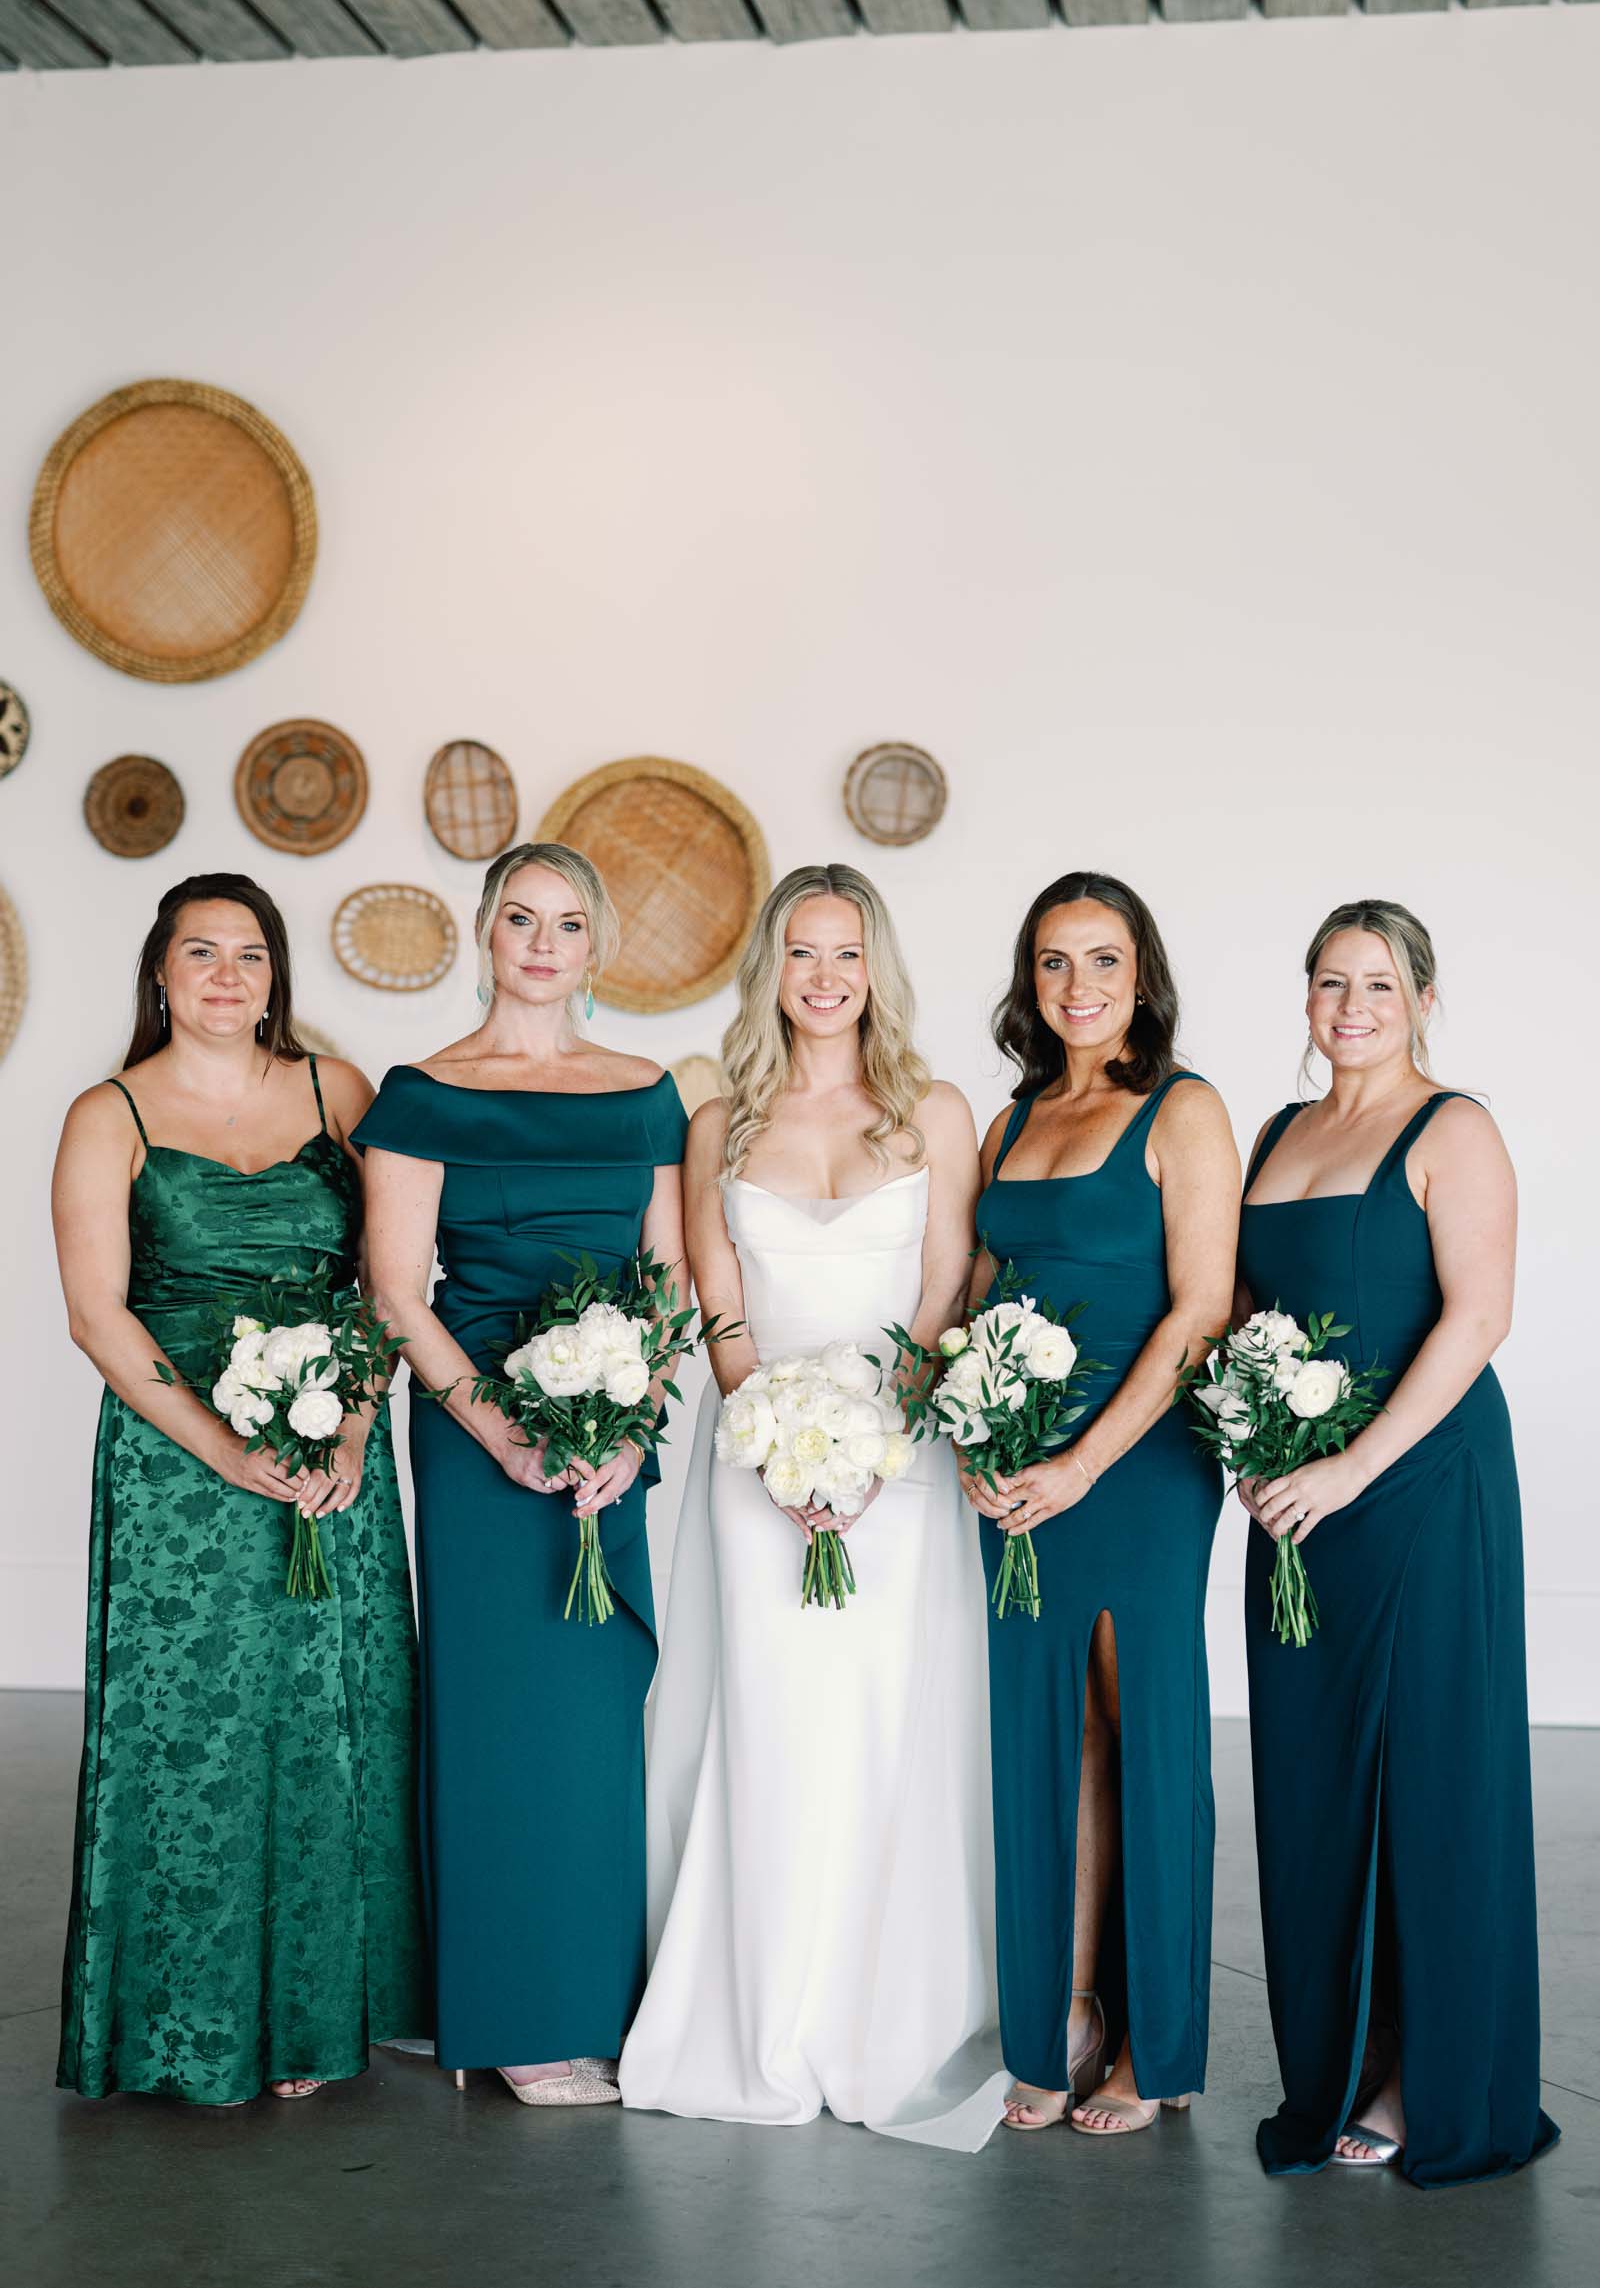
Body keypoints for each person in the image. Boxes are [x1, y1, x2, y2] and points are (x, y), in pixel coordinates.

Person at [620, 864, 1006, 2147]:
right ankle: (757, 2008)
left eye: (845, 953)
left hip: (900, 1464)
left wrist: (880, 1436)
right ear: (771, 971)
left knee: (892, 1721)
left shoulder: (935, 1109)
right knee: (774, 1720)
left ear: (875, 967)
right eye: (801, 954)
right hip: (757, 1466)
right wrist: (775, 1440)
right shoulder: (717, 1116)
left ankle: (886, 2006)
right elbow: (714, 1294)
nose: (825, 977)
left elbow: (948, 1271)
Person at [52, 873, 425, 2105]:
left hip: (331, 1455)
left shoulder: (341, 1091)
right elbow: (97, 1315)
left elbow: (387, 1284)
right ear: (159, 972)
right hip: (179, 1471)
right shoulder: (108, 1113)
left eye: (251, 953)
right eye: (200, 951)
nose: (227, 974)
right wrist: (219, 1445)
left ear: (278, 975)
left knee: (330, 1725)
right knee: (194, 1734)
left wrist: (359, 1426)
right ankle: (192, 2023)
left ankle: (321, 2018)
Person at [357, 843, 687, 2107]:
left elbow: (666, 1286)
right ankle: (508, 2018)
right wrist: (500, 1429)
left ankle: (585, 1993)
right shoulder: (424, 1091)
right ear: (482, 932)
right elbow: (398, 1289)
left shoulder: (646, 1092)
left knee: (595, 1712)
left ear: (596, 944)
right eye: (518, 919)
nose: (541, 943)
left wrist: (634, 1424)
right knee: (498, 1711)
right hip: (476, 1426)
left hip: (606, 1428)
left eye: (566, 923)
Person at [1236, 899, 1558, 2182]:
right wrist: (1252, 1446)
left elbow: (1478, 1316)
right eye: (1329, 983)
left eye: (1377, 984)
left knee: (1427, 1778)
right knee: (1314, 1783)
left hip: (1419, 1486)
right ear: (1305, 998)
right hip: (1294, 1500)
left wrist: (1353, 1465)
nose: (1351, 1008)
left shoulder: (1453, 1128)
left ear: (1422, 998)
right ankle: (1343, 2059)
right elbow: (1255, 1310)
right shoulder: (1278, 1130)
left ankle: (1433, 2079)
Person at [971, 871, 1238, 2136]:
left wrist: (1083, 1461)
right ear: (1030, 982)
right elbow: (974, 1288)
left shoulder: (1184, 1110)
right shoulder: (1014, 1115)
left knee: (1144, 1732)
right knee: (1050, 1734)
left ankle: (1156, 2045)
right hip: (1016, 1462)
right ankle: (1062, 2016)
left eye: (1102, 960)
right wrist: (970, 1427)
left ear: (1144, 975)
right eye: (1053, 962)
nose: (1077, 987)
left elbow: (1201, 1309)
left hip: (1134, 1463)